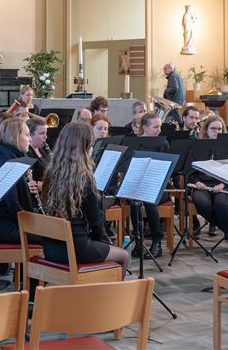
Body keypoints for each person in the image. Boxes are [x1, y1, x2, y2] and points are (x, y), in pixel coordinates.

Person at [41, 122, 129, 271]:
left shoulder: (50, 173)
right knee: (123, 256)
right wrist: (106, 243)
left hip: (52, 248)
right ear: (85, 147)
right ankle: (108, 294)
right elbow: (95, 222)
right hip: (77, 249)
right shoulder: (84, 178)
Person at [189, 115, 228, 249]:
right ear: (206, 130)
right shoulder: (198, 147)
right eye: (213, 128)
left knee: (221, 204)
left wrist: (223, 184)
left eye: (220, 129)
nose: (217, 132)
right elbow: (190, 172)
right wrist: (197, 182)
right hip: (202, 185)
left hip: (224, 185)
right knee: (202, 202)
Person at [0, 118, 40, 243]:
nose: (30, 139)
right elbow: (15, 208)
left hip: (11, 223)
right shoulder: (8, 165)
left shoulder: (8, 157)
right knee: (60, 235)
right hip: (10, 228)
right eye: (27, 134)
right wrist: (39, 220)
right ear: (15, 137)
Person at [129, 113, 169, 258]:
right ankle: (139, 242)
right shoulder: (134, 143)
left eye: (160, 126)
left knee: (148, 200)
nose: (159, 130)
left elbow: (167, 169)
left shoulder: (163, 143)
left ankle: (156, 242)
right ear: (144, 127)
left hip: (158, 186)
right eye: (155, 127)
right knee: (134, 201)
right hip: (137, 185)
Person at [26, 116, 50, 186]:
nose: (45, 137)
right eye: (41, 133)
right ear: (30, 134)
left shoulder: (42, 149)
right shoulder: (27, 153)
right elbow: (30, 181)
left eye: (45, 133)